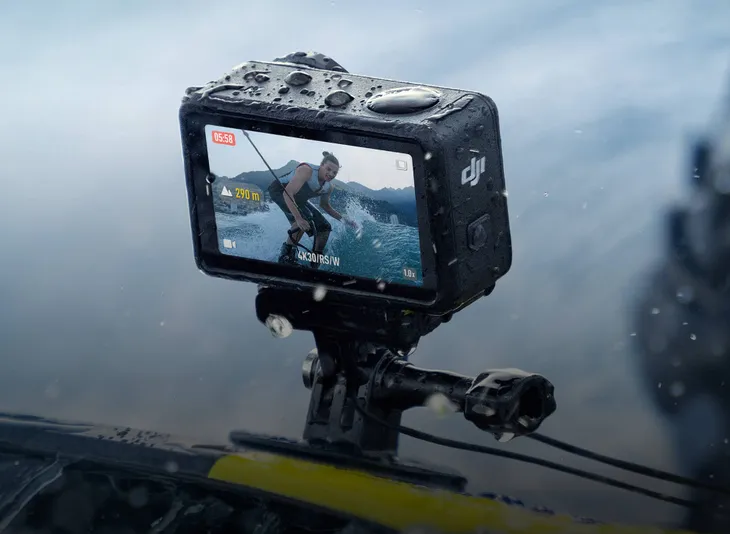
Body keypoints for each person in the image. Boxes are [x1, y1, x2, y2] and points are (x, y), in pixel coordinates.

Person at [267, 151, 358, 268]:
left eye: (334, 172)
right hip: (280, 191)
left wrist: (345, 220)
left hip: (299, 199)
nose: (331, 174)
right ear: (321, 165)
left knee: (325, 227)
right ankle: (285, 257)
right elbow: (288, 193)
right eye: (328, 169)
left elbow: (325, 206)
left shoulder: (328, 187)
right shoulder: (307, 171)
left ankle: (315, 259)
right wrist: (298, 218)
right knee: (304, 219)